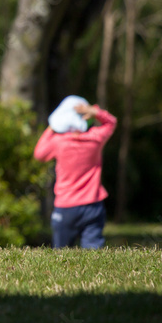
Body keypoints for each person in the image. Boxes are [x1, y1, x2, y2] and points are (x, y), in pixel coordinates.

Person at [33, 96, 117, 249]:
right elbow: (111, 122)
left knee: (61, 254)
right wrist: (96, 112)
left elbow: (39, 154)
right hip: (93, 205)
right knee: (93, 253)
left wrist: (52, 126)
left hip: (66, 207)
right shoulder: (95, 138)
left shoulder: (59, 142)